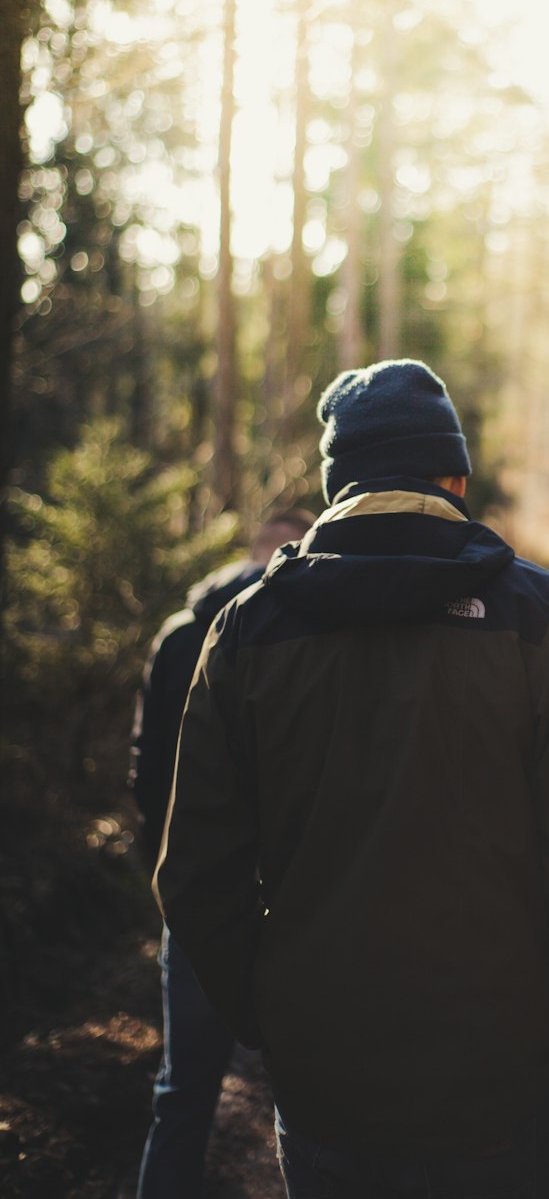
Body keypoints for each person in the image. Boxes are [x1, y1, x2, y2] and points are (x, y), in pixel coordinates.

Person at [154, 358, 549, 1199]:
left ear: (336, 486)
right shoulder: (540, 618)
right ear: (455, 475)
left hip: (324, 1082)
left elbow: (196, 876)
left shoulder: (245, 631)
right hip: (498, 1081)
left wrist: (275, 1022)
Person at [130, 506, 315, 1199]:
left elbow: (145, 770)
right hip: (296, 896)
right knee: (316, 1093)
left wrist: (166, 873)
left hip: (197, 888)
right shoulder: (304, 626)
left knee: (182, 1093)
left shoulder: (179, 635)